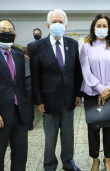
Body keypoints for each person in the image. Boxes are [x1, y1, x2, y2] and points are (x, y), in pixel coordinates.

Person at [29, 9, 82, 171]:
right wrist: (38, 101)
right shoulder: (36, 46)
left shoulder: (73, 44)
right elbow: (35, 76)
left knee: (68, 136)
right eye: (54, 22)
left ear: (65, 25)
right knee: (50, 138)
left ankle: (68, 162)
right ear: (48, 25)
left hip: (68, 99)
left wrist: (78, 93)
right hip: (48, 101)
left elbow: (77, 71)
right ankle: (50, 165)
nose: (57, 25)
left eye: (60, 22)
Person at [80, 14, 110, 171]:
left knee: (109, 127)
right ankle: (95, 159)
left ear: (109, 29)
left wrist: (108, 89)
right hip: (92, 93)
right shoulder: (86, 47)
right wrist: (99, 88)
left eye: (105, 26)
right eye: (99, 25)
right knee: (93, 129)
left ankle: (107, 159)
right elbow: (86, 70)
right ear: (93, 27)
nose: (102, 29)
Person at [0, 19, 28, 171]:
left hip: (20, 115)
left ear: (15, 35)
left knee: (20, 157)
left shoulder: (18, 56)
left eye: (10, 31)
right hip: (1, 116)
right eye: (3, 30)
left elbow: (21, 84)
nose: (6, 33)